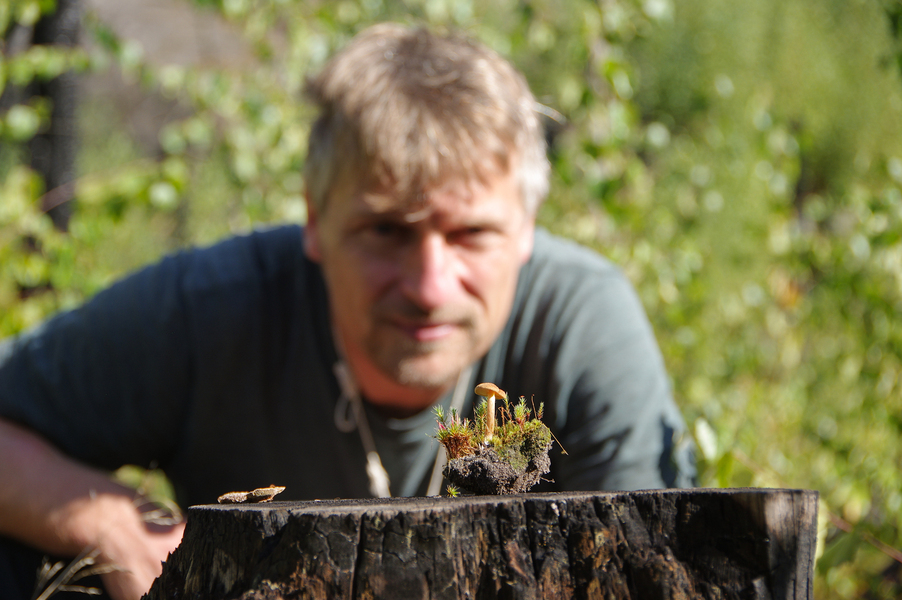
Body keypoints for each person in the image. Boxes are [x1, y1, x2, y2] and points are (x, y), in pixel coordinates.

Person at [0, 23, 695, 600]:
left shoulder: (583, 323)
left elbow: (649, 563)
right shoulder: (214, 306)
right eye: (386, 231)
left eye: (470, 234)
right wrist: (115, 525)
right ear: (315, 218)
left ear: (526, 228)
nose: (428, 284)